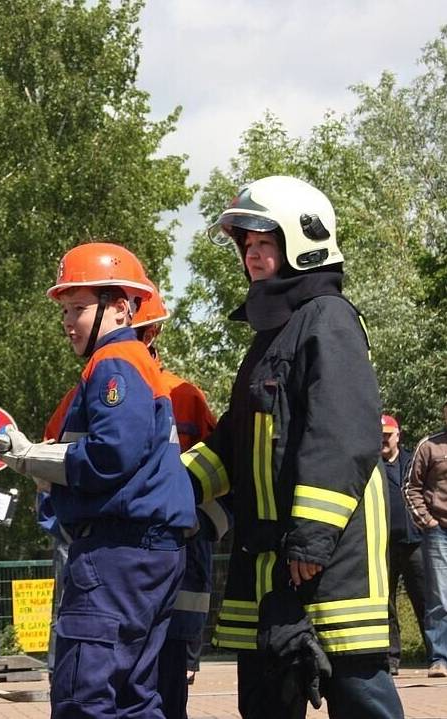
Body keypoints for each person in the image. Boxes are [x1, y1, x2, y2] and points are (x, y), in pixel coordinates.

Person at [185, 176, 403, 718]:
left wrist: (311, 540)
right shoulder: (272, 335)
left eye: (265, 243)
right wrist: (170, 486)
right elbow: (236, 440)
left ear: (303, 242)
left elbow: (341, 435)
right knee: (265, 701)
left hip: (330, 558)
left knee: (358, 695)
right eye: (247, 245)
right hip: (271, 559)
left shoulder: (329, 318)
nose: (252, 256)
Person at [0, 242, 195, 718]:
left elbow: (111, 455)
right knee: (134, 698)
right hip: (145, 554)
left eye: (80, 308)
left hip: (115, 556)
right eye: (64, 310)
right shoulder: (137, 362)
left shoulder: (114, 363)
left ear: (121, 308)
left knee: (84, 695)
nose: (68, 322)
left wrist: (32, 458)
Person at [132, 281, 226, 719]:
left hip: (161, 571)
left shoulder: (184, 397)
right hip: (148, 569)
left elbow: (222, 477)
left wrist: (197, 526)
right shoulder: (86, 394)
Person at [404, 400, 447, 677]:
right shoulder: (429, 445)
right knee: (440, 596)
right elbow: (411, 487)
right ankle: (440, 658)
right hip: (439, 530)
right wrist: (428, 522)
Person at [381, 414, 425, 675]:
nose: (384, 440)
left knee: (425, 600)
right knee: (386, 604)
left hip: (415, 542)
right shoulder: (371, 466)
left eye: (388, 435)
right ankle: (391, 658)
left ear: (398, 435)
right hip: (383, 546)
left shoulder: (412, 461)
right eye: (380, 436)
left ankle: (436, 655)